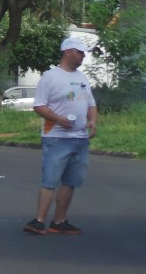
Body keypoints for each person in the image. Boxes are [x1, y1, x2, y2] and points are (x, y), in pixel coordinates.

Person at [23, 36, 98, 236]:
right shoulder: (50, 77)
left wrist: (92, 121)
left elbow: (91, 103)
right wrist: (58, 119)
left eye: (83, 53)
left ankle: (60, 221)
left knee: (71, 180)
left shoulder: (82, 77)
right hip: (56, 137)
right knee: (50, 179)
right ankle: (39, 221)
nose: (83, 56)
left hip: (80, 138)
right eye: (79, 52)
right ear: (68, 52)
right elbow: (39, 106)